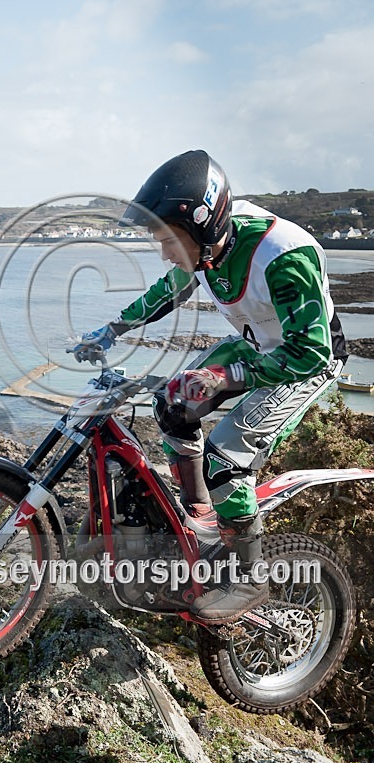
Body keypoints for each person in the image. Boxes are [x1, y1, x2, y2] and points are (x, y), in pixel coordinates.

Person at [72, 149, 347, 624]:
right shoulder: (210, 240)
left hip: (306, 361)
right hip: (256, 344)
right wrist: (113, 328)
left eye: (169, 242)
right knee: (172, 404)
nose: (165, 253)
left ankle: (251, 575)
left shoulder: (283, 256)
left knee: (225, 459)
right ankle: (201, 513)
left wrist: (227, 376)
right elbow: (170, 288)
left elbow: (310, 352)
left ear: (203, 226)